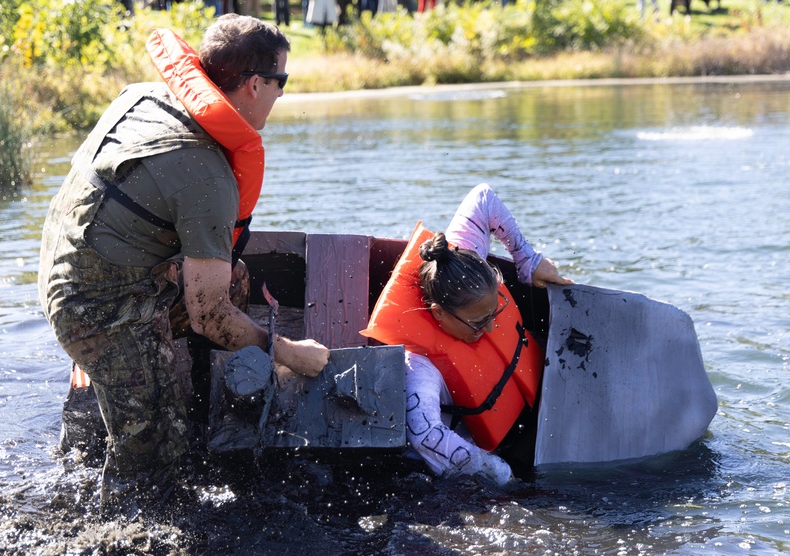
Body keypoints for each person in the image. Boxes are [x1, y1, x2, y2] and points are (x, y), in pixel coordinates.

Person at [38, 15, 330, 513]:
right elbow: (208, 315)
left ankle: (187, 407)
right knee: (155, 460)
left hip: (67, 265)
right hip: (96, 307)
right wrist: (289, 354)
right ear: (255, 84)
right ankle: (128, 528)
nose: (282, 94)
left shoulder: (146, 96)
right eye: (282, 81)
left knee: (232, 276)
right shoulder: (206, 174)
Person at [362, 184, 572, 485]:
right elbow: (424, 435)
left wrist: (529, 260)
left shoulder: (463, 262)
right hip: (459, 456)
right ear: (438, 313)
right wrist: (498, 471)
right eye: (477, 323)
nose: (488, 330)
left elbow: (483, 198)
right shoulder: (418, 367)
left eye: (493, 315)